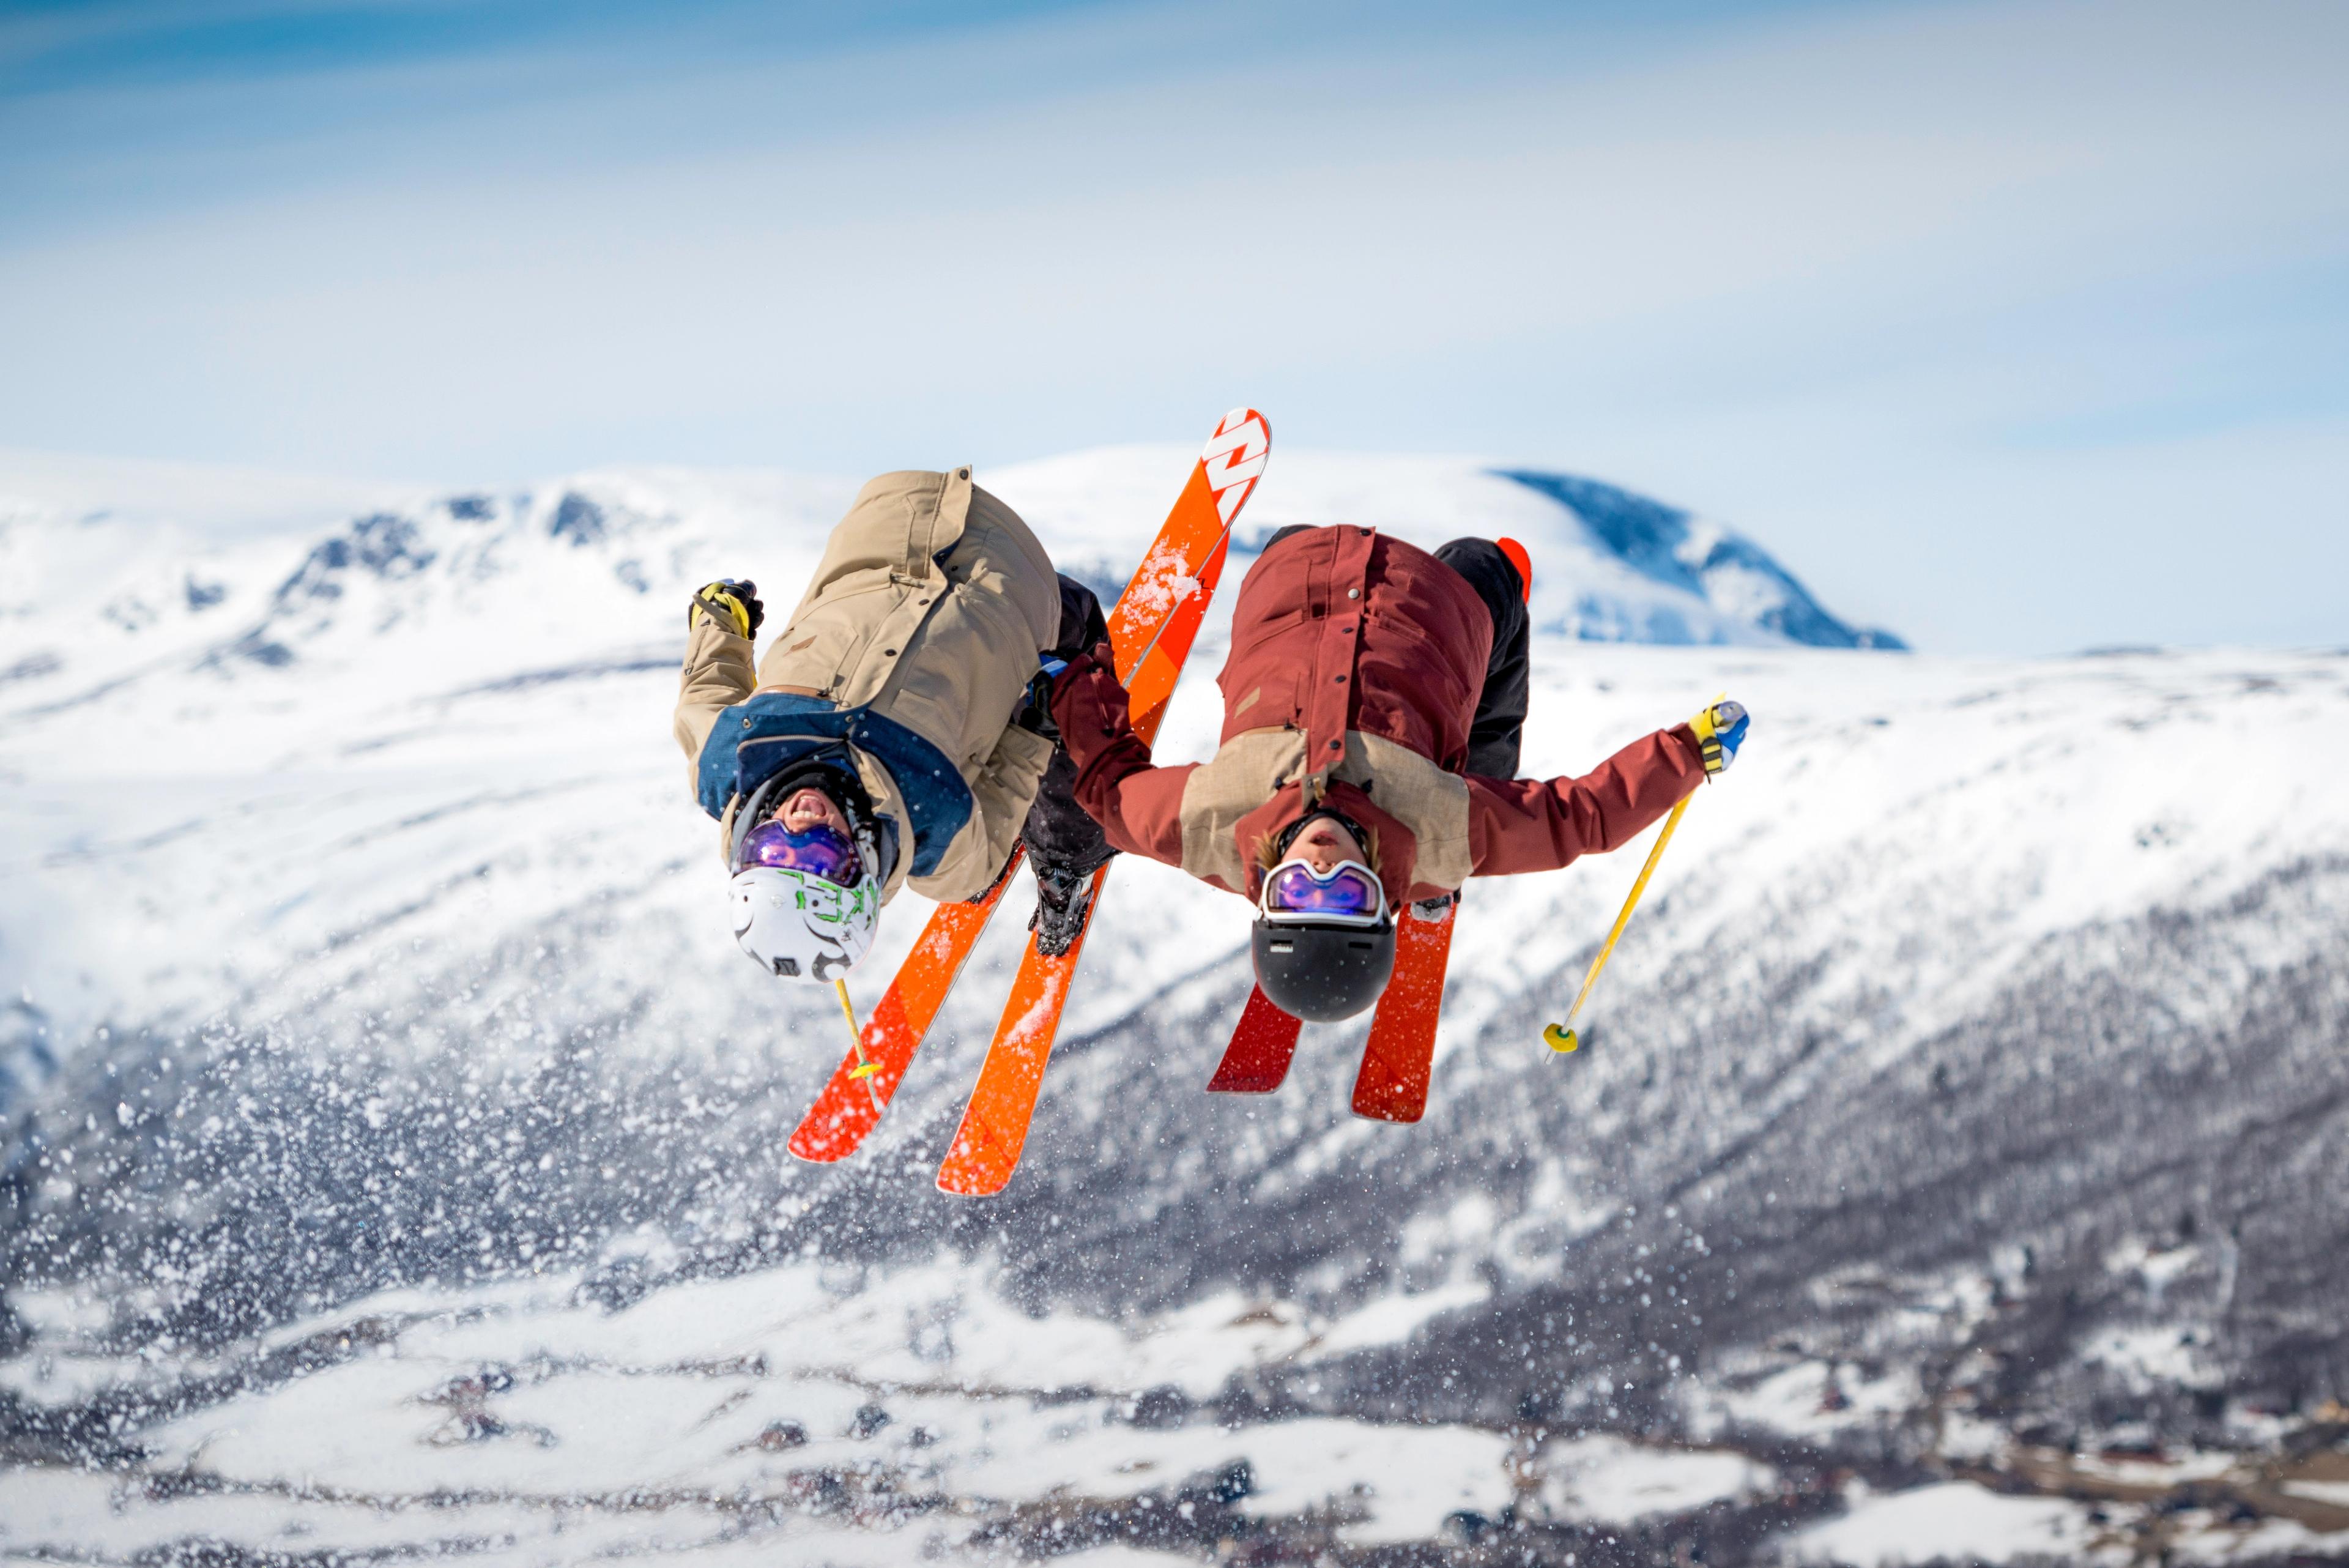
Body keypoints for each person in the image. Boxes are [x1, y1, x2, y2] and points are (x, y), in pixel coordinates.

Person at [1048, 524, 1749, 1020]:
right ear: (1384, 897)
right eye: (1348, 894)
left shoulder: (1202, 826)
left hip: (1299, 578)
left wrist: (1070, 678)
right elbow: (1583, 820)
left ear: (1261, 896)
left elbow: (1109, 788)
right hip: (1434, 610)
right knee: (1486, 568)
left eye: (1296, 888)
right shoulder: (1443, 835)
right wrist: (1686, 755)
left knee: (1296, 538)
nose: (1321, 862)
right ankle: (1448, 849)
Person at [674, 466, 1113, 983]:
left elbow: (704, 690)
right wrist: (1038, 723)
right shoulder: (947, 840)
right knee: (1067, 668)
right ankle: (1067, 858)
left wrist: (718, 623)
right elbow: (1016, 766)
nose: (796, 825)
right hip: (1004, 569)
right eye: (816, 857)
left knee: (961, 840)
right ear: (857, 865)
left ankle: (1060, 848)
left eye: (770, 851)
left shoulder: (729, 762)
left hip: (892, 519)